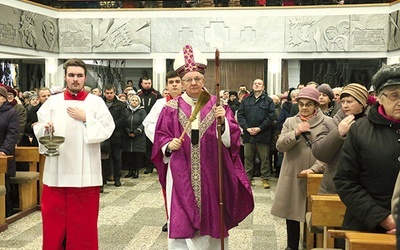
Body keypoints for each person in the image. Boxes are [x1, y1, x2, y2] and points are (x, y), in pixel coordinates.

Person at [151, 45, 254, 249]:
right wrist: (168, 145)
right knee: (182, 217)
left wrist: (223, 123)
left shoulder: (218, 105)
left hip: (212, 172)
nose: (193, 83)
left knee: (213, 215)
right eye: (188, 79)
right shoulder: (171, 109)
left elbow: (232, 138)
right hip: (181, 172)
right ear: (181, 83)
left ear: (203, 80)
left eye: (197, 78)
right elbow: (160, 138)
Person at [33, 58, 114, 249]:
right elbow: (38, 125)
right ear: (65, 77)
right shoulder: (52, 101)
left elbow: (108, 128)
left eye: (79, 75)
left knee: (83, 225)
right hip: (57, 174)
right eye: (71, 75)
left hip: (85, 176)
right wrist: (46, 128)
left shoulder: (96, 102)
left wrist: (87, 118)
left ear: (85, 77)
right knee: (54, 224)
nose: (75, 79)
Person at [334, 63, 400, 235]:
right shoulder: (360, 130)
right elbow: (345, 181)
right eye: (395, 95)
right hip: (367, 226)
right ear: (379, 97)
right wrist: (383, 218)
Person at [271, 86, 329, 250]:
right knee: (292, 212)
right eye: (301, 104)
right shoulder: (290, 122)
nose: (304, 108)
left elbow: (332, 151)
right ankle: (291, 246)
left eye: (308, 104)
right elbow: (280, 146)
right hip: (293, 172)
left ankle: (314, 245)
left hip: (316, 175)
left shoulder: (328, 122)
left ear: (316, 105)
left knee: (315, 213)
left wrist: (316, 168)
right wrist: (295, 133)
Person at [143, 70, 183, 233]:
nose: (174, 84)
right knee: (169, 186)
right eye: (171, 82)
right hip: (169, 153)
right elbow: (148, 124)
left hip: (188, 151)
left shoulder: (191, 102)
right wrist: (164, 142)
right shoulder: (160, 104)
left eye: (177, 81)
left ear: (182, 84)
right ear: (166, 85)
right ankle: (170, 218)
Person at [312, 83, 369, 194]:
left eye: (349, 101)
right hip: (333, 188)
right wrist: (338, 133)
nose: (345, 106)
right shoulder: (331, 122)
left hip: (365, 188)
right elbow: (319, 152)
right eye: (342, 102)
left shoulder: (372, 123)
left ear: (362, 102)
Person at [237, 78, 276, 188]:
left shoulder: (268, 101)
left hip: (263, 134)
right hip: (248, 134)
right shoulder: (246, 100)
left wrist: (260, 128)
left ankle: (265, 178)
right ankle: (248, 178)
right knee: (248, 158)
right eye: (255, 83)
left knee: (264, 158)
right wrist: (246, 128)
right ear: (252, 86)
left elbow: (271, 116)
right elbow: (240, 115)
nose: (257, 85)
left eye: (259, 84)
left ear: (263, 87)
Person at [102, 84, 126, 187]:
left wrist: (111, 126)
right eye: (107, 93)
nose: (109, 95)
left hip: (116, 135)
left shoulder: (120, 105)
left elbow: (123, 118)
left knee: (116, 158)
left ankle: (117, 179)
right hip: (103, 135)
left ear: (114, 93)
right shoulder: (100, 104)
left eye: (111, 93)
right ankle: (102, 181)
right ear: (104, 93)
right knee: (103, 159)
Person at [137, 75, 162, 174]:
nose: (147, 85)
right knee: (146, 147)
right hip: (142, 123)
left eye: (149, 83)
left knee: (154, 145)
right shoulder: (138, 95)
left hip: (154, 123)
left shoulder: (156, 95)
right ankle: (149, 165)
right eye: (145, 83)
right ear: (141, 84)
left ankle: (157, 165)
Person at [0, 86, 19, 217]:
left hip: (4, 154)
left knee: (4, 183)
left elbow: (12, 134)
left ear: (3, 98)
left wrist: (4, 151)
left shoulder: (11, 112)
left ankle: (5, 211)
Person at [122, 95, 146, 179]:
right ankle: (130, 170)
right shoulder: (126, 111)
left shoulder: (142, 111)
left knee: (137, 154)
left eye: (136, 100)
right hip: (128, 136)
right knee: (129, 154)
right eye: (133, 100)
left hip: (138, 136)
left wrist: (137, 132)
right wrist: (127, 131)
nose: (134, 102)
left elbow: (144, 123)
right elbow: (124, 121)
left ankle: (136, 170)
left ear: (139, 102)